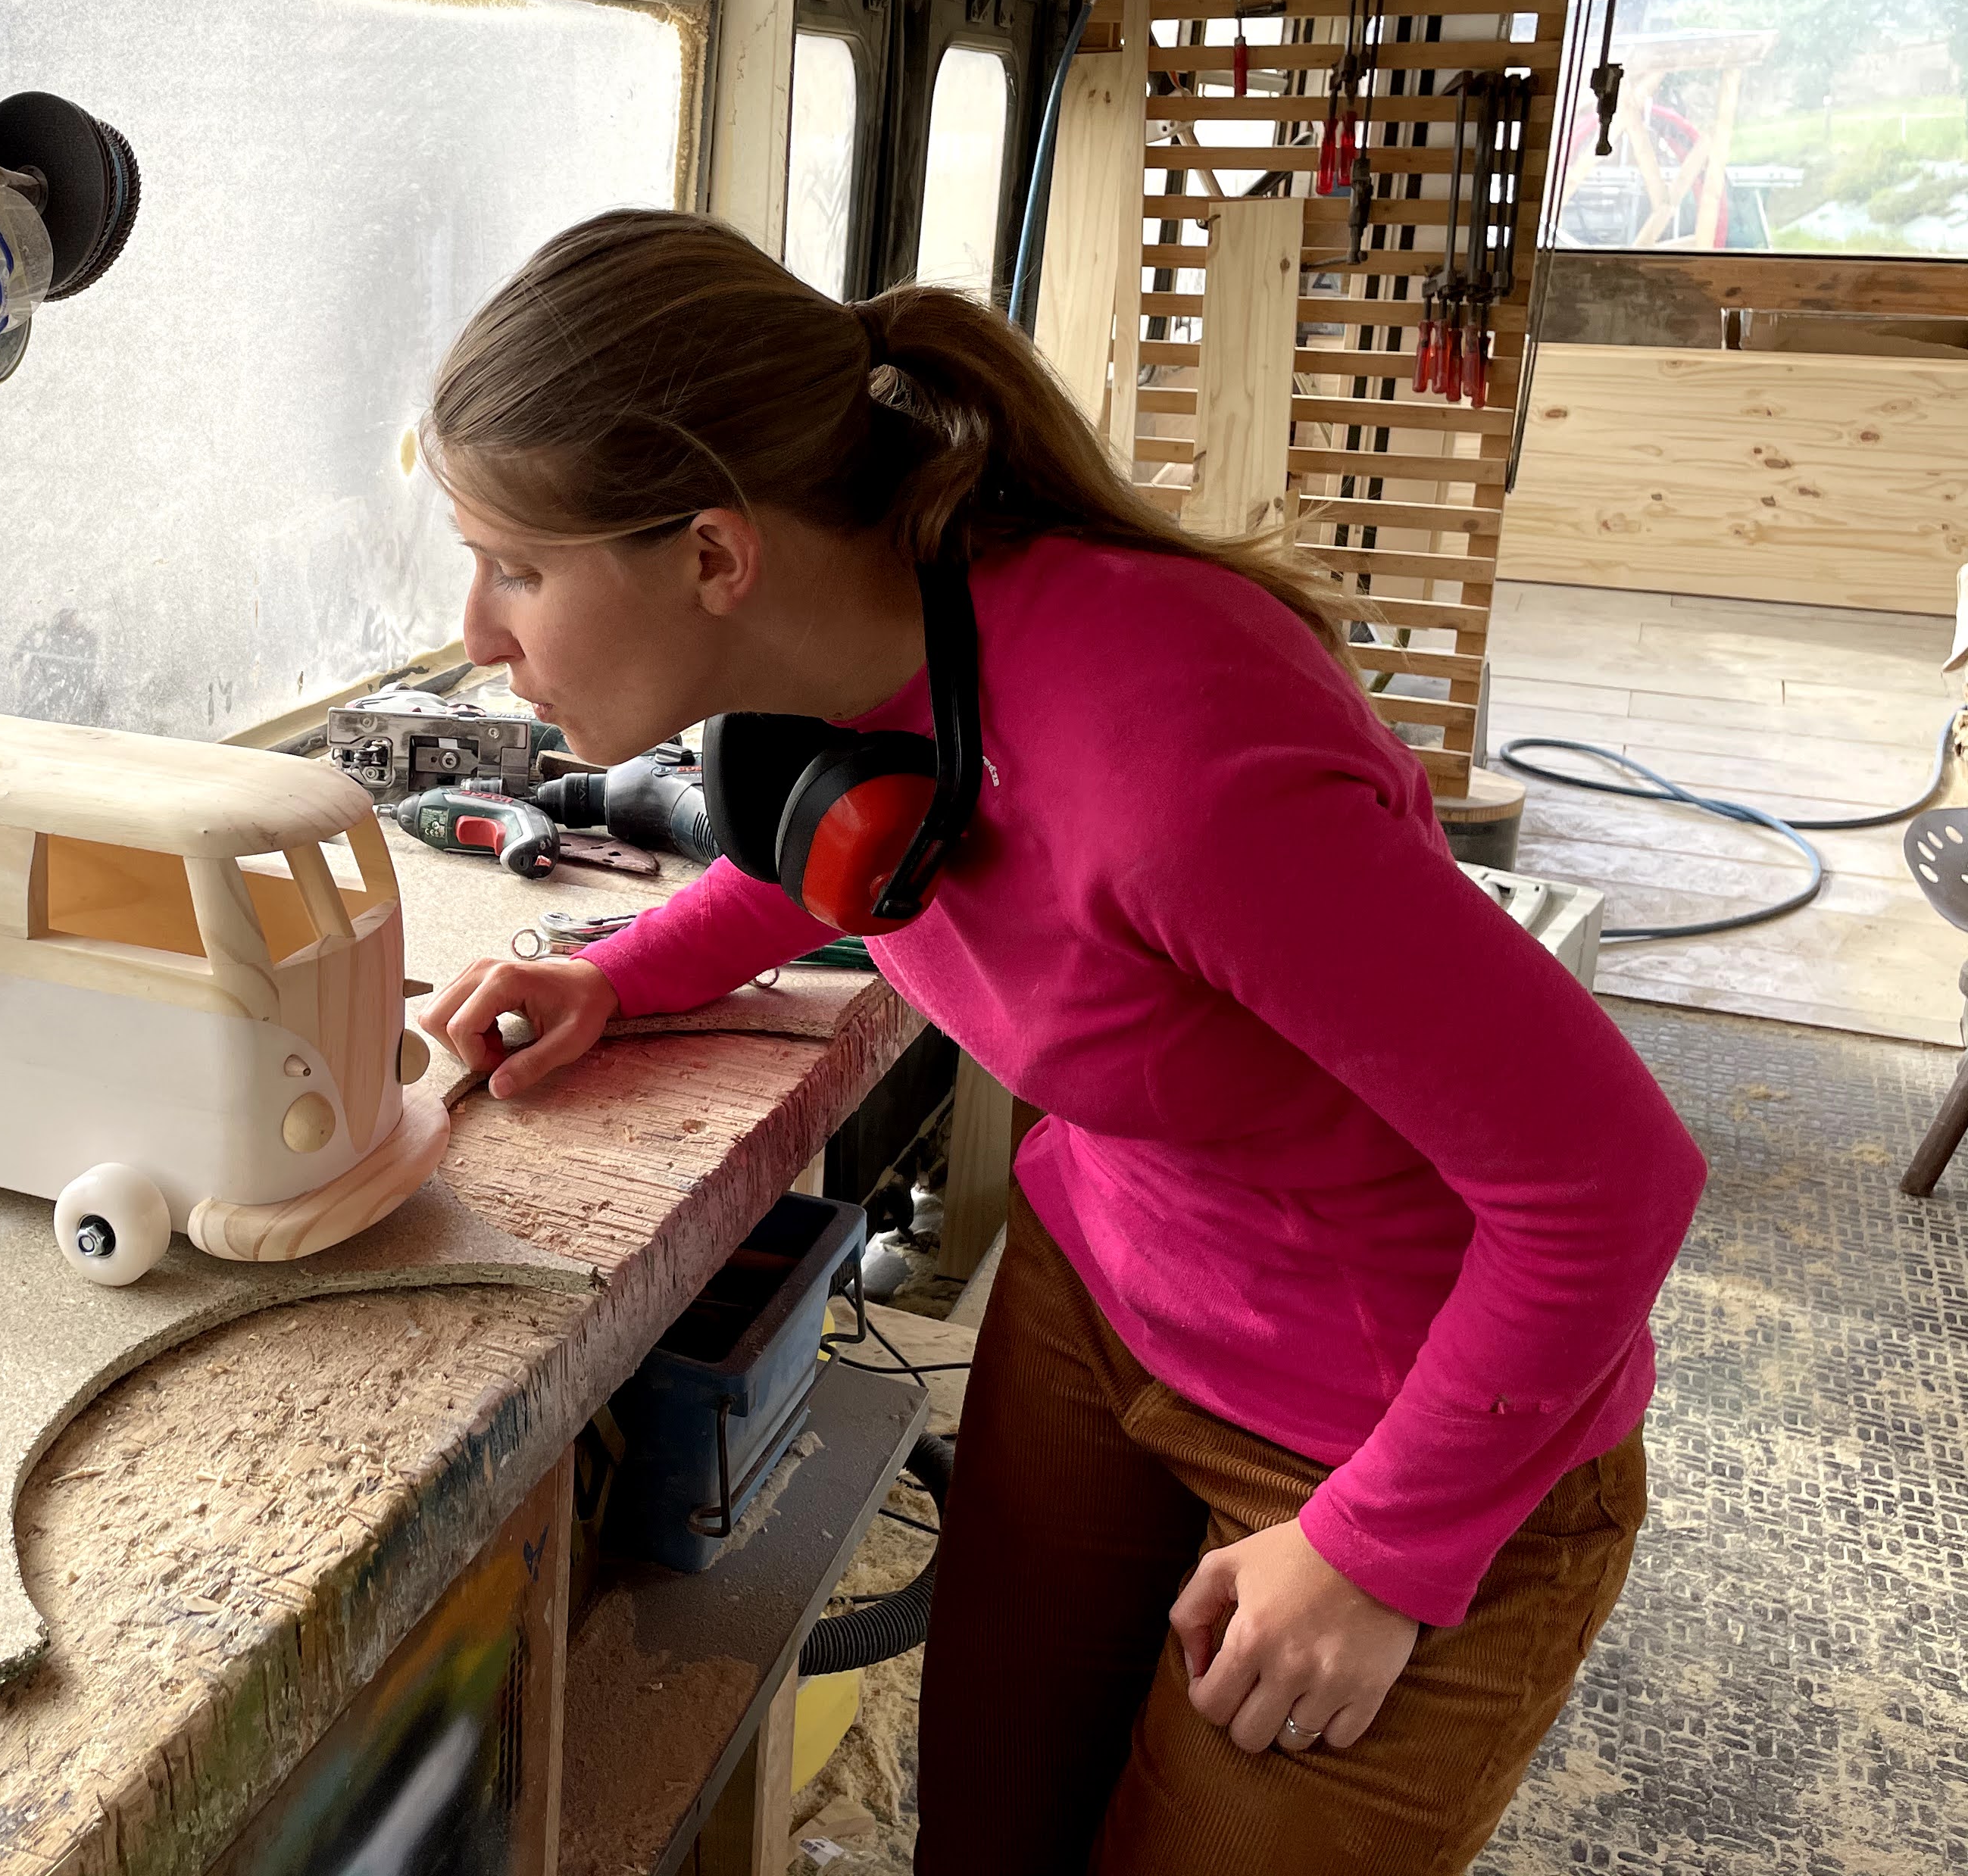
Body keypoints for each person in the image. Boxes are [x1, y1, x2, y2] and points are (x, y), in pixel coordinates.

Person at [417, 208, 1705, 1875]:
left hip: (1396, 1413)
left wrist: (1384, 1552)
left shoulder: (1179, 772)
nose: (476, 630)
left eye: (516, 565)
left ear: (717, 558)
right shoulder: (875, 634)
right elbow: (855, 849)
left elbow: (1612, 1180)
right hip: (1102, 1310)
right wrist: (631, 971)